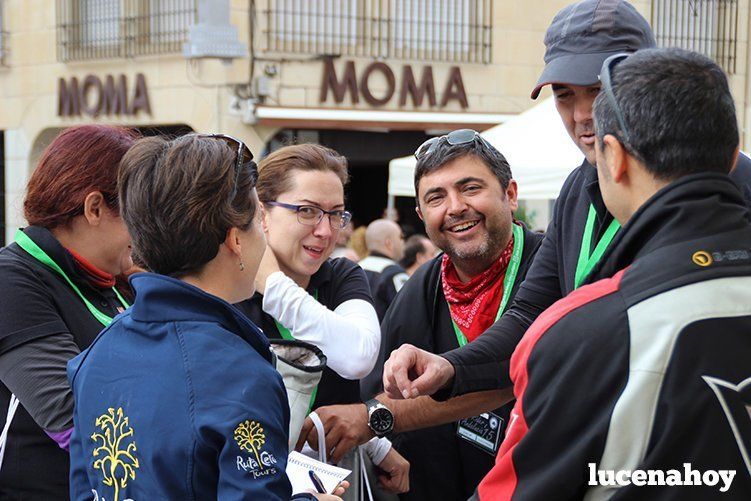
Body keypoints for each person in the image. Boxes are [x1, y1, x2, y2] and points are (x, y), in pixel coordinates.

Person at [381, 0, 751, 404]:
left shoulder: (732, 180)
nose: (581, 114)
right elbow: (530, 316)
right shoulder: (578, 189)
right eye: (563, 95)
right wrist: (451, 367)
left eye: (596, 90)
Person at [477, 47, 751, 500]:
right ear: (731, 156)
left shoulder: (579, 332)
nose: (578, 115)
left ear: (613, 156)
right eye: (564, 96)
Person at [67, 134, 345, 500]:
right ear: (235, 239)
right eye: (259, 220)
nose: (264, 235)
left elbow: (84, 489)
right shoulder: (240, 374)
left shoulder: (99, 352)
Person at [300, 131, 544, 500]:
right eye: (436, 197)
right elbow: (373, 393)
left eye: (470, 188)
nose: (456, 207)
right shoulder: (420, 287)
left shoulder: (551, 267)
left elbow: (523, 372)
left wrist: (373, 417)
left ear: (510, 195)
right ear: (421, 215)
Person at [233, 144, 409, 494]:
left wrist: (273, 285)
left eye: (336, 214)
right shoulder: (231, 289)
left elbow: (356, 357)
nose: (326, 231)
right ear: (261, 213)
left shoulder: (340, 275)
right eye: (307, 211)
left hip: (336, 481)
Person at [0, 125, 137, 499]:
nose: (147, 230)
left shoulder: (114, 281)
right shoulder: (13, 278)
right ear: (94, 208)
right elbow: (71, 419)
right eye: (138, 213)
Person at [358, 219, 409, 320]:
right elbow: (407, 313)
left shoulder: (354, 268)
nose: (403, 242)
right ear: (389, 243)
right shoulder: (395, 274)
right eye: (401, 237)